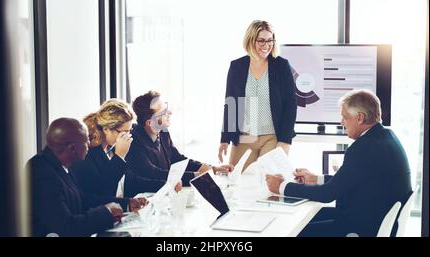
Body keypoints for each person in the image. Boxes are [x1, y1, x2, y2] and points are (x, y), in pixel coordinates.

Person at [265, 90, 412, 237]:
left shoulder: (363, 148)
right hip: (372, 218)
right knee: (302, 219)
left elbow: (327, 195)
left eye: (344, 117)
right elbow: (351, 180)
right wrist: (316, 179)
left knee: (293, 230)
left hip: (362, 228)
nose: (341, 122)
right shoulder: (385, 137)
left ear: (360, 118)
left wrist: (282, 187)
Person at [27, 118, 148, 236]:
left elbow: (83, 199)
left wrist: (126, 203)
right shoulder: (41, 172)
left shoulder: (59, 164)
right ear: (72, 148)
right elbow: (67, 228)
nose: (90, 144)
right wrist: (107, 213)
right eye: (86, 141)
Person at [218, 20, 297, 173]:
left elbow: (290, 105)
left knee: (267, 185)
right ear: (250, 40)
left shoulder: (281, 66)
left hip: (272, 137)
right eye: (261, 40)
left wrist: (285, 141)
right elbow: (231, 104)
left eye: (270, 40)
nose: (266, 45)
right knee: (237, 182)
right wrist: (224, 139)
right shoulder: (237, 67)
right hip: (245, 137)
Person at [71, 99, 179, 198]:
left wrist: (166, 184)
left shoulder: (110, 149)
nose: (129, 136)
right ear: (106, 129)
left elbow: (131, 182)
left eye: (129, 131)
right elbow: (103, 191)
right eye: (124, 132)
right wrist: (119, 157)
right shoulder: (87, 155)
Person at [126, 91, 233, 188]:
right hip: (144, 199)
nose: (170, 113)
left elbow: (177, 159)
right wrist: (196, 175)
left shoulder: (163, 131)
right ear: (150, 123)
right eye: (164, 112)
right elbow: (154, 173)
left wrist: (212, 169)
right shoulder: (133, 142)